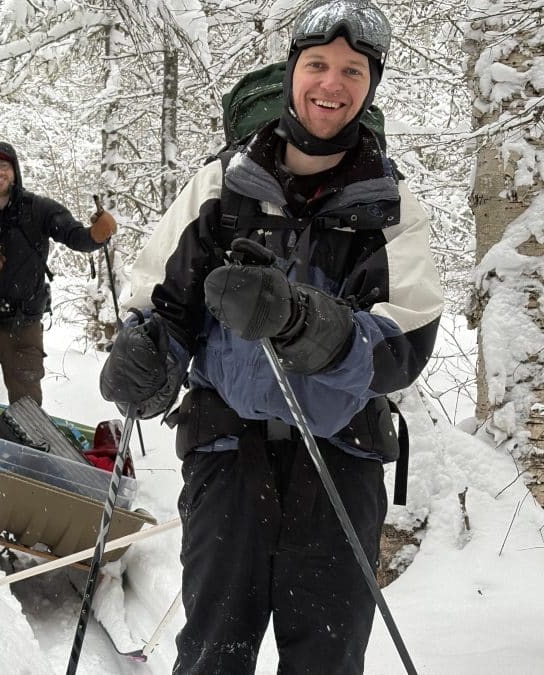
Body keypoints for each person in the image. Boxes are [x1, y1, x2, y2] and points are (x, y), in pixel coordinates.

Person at [98, 1, 443, 673]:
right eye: (317, 64)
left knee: (326, 661)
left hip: (341, 462)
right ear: (292, 73)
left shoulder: (392, 204)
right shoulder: (220, 186)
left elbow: (404, 344)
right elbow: (162, 306)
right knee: (213, 656)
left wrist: (305, 324)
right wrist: (146, 358)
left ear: (371, 84)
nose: (332, 84)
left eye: (352, 69)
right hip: (227, 455)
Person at [0, 142, 117, 437]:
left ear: (15, 172)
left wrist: (97, 236)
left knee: (26, 407)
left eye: (4, 166)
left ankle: (23, 470)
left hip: (23, 324)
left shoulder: (39, 210)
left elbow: (76, 237)